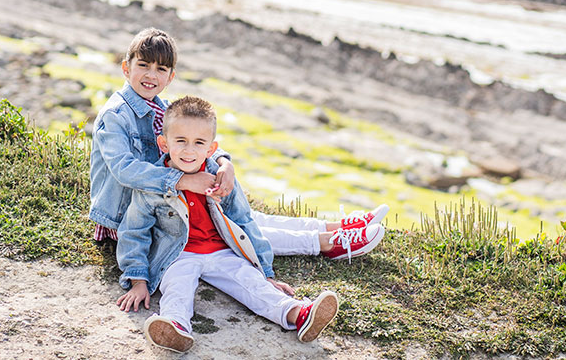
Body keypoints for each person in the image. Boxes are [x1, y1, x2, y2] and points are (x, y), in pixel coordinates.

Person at [88, 27, 388, 261]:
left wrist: (223, 163)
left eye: (161, 69)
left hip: (164, 199)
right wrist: (184, 180)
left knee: (246, 216)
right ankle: (325, 245)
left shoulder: (162, 106)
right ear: (126, 68)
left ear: (171, 76)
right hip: (130, 218)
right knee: (229, 230)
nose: (151, 75)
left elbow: (195, 138)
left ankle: (336, 227)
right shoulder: (116, 115)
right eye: (143, 66)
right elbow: (123, 170)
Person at [116, 96, 340, 352]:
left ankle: (298, 313)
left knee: (250, 282)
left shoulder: (221, 179)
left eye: (199, 143)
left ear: (211, 149)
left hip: (222, 250)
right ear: (164, 143)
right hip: (177, 255)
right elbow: (134, 232)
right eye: (181, 141)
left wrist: (265, 271)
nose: (189, 150)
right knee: (177, 287)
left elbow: (244, 221)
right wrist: (138, 281)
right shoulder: (154, 185)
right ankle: (175, 328)